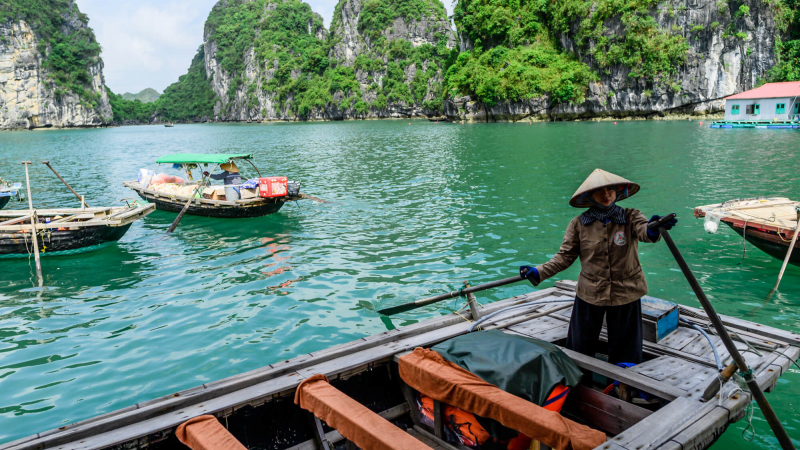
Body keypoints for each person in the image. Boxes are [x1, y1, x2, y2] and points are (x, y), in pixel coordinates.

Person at [519, 169, 677, 365]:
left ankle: (623, 385)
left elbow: (644, 231)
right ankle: (577, 379)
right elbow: (565, 256)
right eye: (599, 191)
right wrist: (538, 271)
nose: (606, 195)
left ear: (617, 192)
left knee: (626, 349)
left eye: (610, 190)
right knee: (580, 345)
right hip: (590, 292)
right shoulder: (578, 224)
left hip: (626, 292)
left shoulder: (631, 216)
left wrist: (654, 228)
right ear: (589, 196)